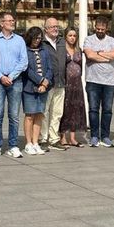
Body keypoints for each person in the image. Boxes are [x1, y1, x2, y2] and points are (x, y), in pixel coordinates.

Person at [0, 12, 28, 159]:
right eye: (9, 20)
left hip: (15, 81)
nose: (12, 22)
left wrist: (11, 76)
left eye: (13, 20)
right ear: (1, 23)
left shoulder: (20, 40)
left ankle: (13, 145)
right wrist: (1, 76)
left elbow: (23, 61)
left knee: (14, 115)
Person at [83, 16, 114, 147]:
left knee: (107, 110)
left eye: (102, 29)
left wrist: (98, 53)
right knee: (93, 109)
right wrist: (106, 56)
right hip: (93, 80)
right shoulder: (88, 39)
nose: (99, 31)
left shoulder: (113, 41)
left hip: (110, 81)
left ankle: (105, 136)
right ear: (94, 27)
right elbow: (90, 55)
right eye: (97, 28)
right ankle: (94, 135)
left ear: (106, 28)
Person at [21, 27, 52, 156]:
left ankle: (35, 142)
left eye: (39, 38)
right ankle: (28, 143)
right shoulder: (25, 50)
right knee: (29, 115)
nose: (37, 40)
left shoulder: (44, 50)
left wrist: (46, 83)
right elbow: (27, 70)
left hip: (44, 88)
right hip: (29, 88)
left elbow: (50, 68)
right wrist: (40, 81)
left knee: (39, 114)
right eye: (35, 38)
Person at [40, 18, 67, 150]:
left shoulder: (62, 42)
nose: (55, 29)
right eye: (52, 27)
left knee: (57, 112)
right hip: (47, 83)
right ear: (46, 29)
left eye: (57, 26)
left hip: (61, 82)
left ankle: (54, 138)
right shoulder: (42, 43)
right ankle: (43, 138)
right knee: (44, 112)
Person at [59, 28, 87, 148]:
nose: (72, 38)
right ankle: (63, 136)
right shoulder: (61, 49)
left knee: (75, 109)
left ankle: (73, 138)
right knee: (65, 109)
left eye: (74, 35)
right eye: (70, 35)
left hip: (77, 84)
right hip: (66, 83)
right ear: (65, 36)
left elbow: (80, 65)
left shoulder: (78, 50)